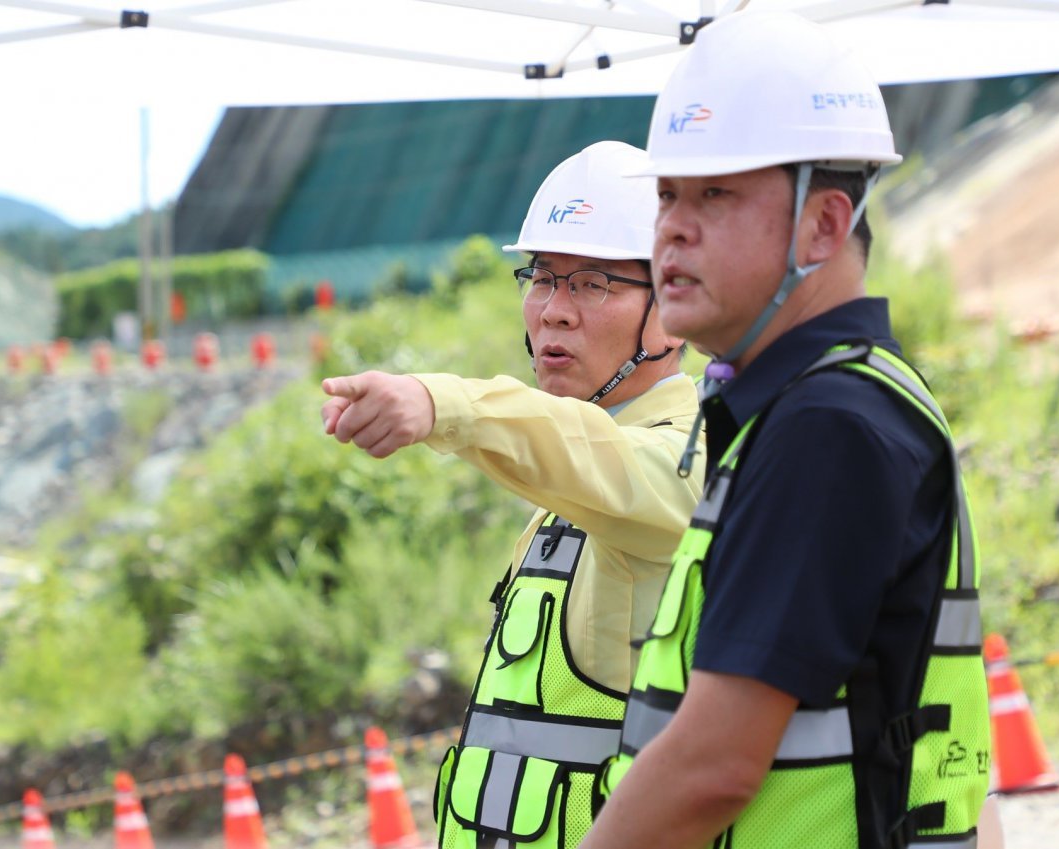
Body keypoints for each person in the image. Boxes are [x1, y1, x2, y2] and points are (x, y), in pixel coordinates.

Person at [582, 11, 990, 848]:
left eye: (716, 193)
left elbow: (715, 764)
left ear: (824, 225)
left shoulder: (830, 424)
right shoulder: (817, 404)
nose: (672, 228)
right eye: (667, 195)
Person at [318, 141, 703, 848]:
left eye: (593, 283)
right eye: (542, 278)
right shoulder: (564, 479)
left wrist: (443, 405)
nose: (554, 311)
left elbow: (599, 455)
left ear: (673, 305)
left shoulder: (690, 455)